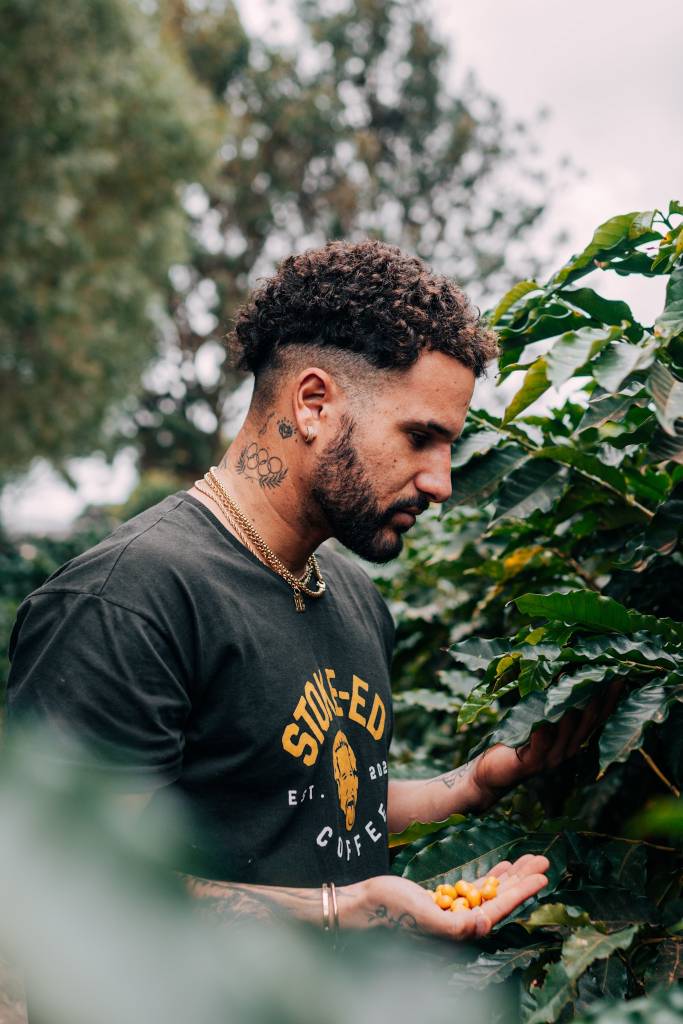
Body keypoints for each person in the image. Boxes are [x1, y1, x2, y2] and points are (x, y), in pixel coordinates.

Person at [7, 240, 610, 943]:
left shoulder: (354, 595)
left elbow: (318, 804)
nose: (441, 482)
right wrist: (339, 910)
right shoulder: (125, 601)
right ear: (315, 402)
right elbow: (68, 882)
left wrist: (473, 782)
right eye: (420, 437)